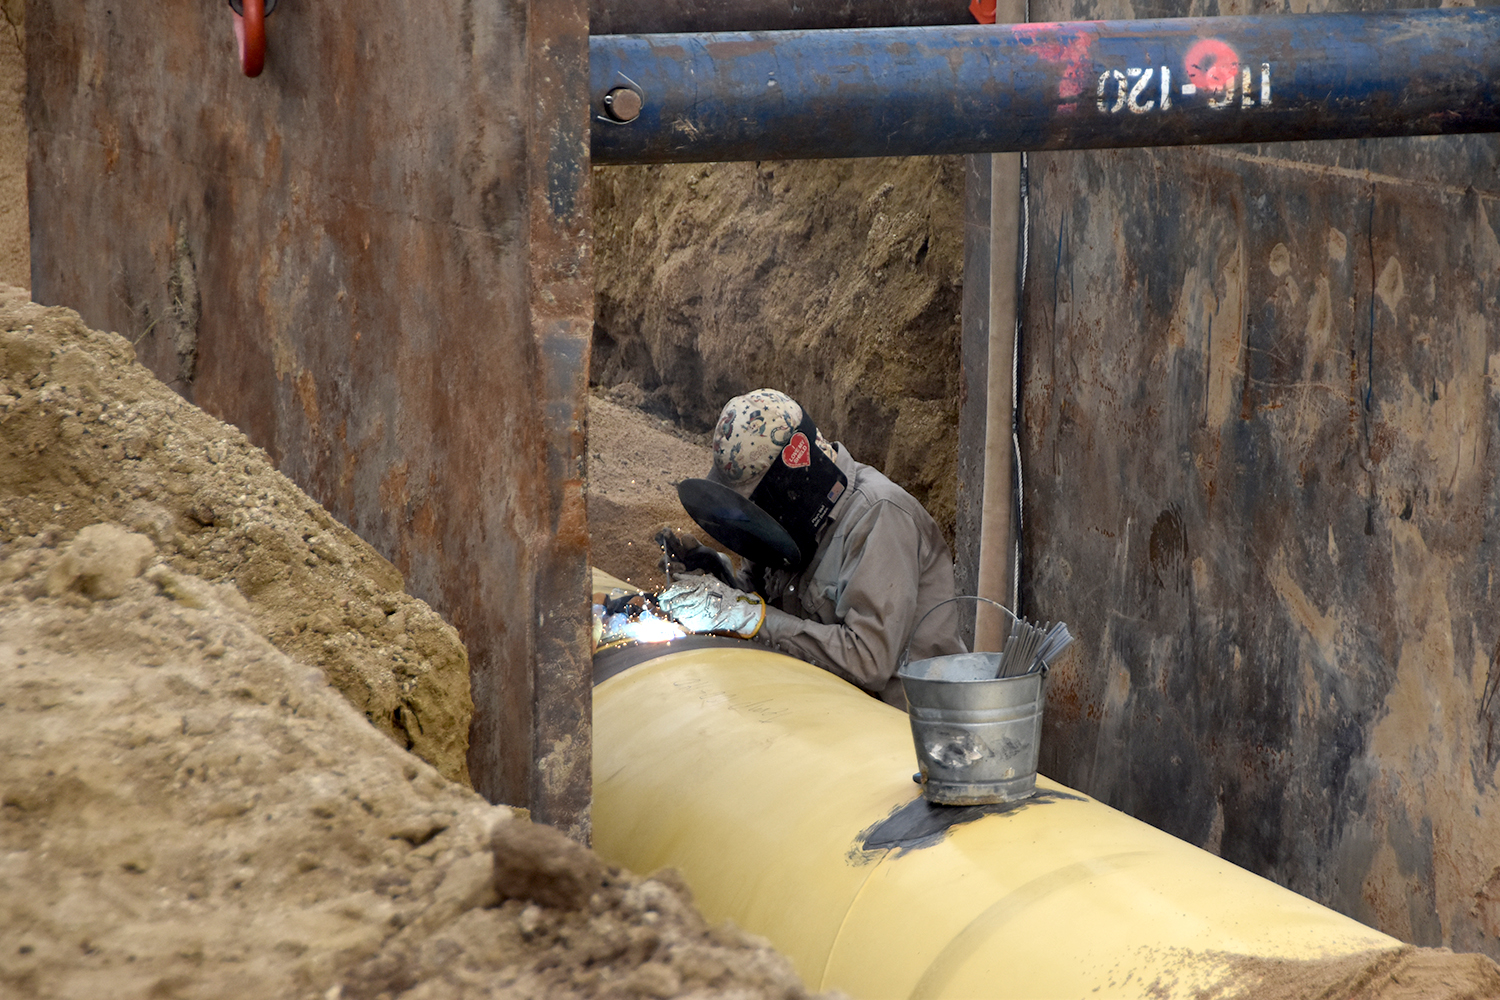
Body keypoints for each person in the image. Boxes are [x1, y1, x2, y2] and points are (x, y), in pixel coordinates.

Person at [657, 388, 965, 708]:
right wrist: (722, 585)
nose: (751, 518)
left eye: (755, 505)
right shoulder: (786, 518)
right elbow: (763, 606)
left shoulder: (879, 516)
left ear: (794, 477)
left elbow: (868, 661)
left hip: (908, 733)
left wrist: (751, 618)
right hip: (825, 711)